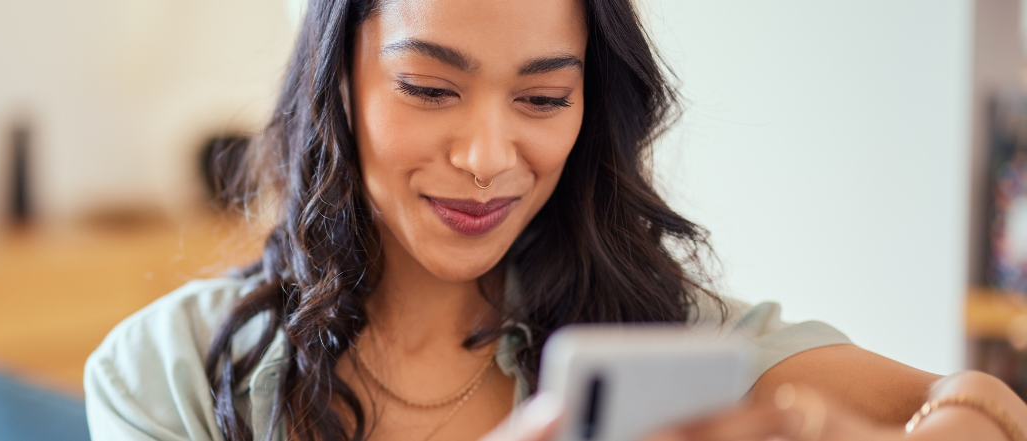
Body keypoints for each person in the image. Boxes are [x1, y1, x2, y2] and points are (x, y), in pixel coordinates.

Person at [84, 0, 1027, 439]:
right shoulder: (162, 375)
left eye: (542, 100)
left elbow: (970, 402)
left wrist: (961, 421)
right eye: (429, 87)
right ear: (339, 80)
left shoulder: (660, 335)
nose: (489, 156)